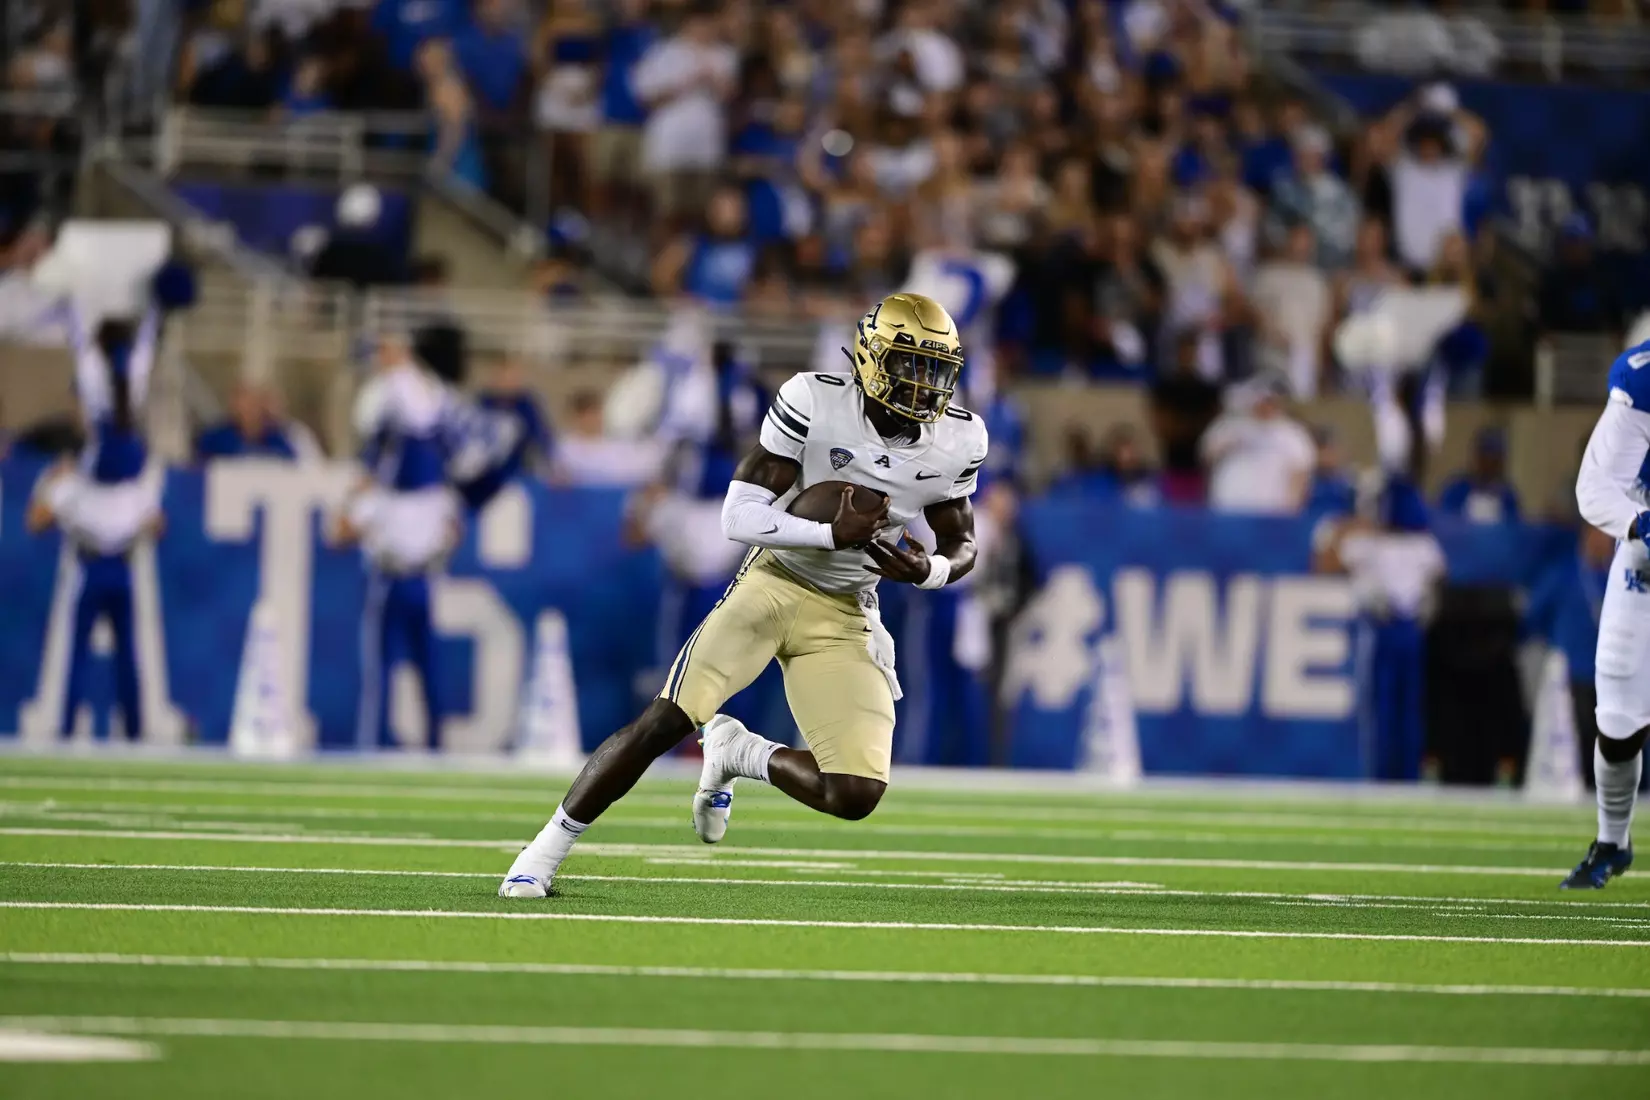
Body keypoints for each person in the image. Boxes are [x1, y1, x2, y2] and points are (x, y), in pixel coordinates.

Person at [500, 292, 988, 898]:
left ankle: (737, 751)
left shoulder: (957, 440)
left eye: (934, 369)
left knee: (856, 793)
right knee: (666, 720)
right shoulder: (814, 399)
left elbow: (962, 540)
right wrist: (829, 532)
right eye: (908, 364)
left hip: (847, 610)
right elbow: (739, 515)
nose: (922, 385)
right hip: (775, 580)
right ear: (869, 357)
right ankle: (542, 852)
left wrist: (931, 572)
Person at [28, 307, 165, 740]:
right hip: (112, 562)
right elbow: (156, 522)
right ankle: (126, 731)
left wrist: (61, 498)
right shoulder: (118, 472)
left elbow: (37, 519)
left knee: (94, 656)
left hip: (97, 563)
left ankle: (83, 730)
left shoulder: (86, 467)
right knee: (114, 656)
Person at [1567, 335, 1650, 888]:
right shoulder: (1642, 376)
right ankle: (1612, 840)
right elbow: (1595, 486)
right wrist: (1642, 524)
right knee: (1617, 704)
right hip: (1648, 548)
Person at [1315, 478, 1446, 782]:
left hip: (1405, 629)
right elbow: (1326, 562)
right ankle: (1380, 775)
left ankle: (1405, 775)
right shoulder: (1374, 544)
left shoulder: (1418, 544)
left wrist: (1428, 599)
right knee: (1383, 709)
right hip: (1384, 630)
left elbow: (1441, 576)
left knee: (1405, 709)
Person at [1200, 376, 1314, 516]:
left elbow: (1300, 473)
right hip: (1229, 508)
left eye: (1271, 400)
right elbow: (1207, 456)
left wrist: (1290, 511)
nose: (1266, 405)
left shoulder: (1293, 434)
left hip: (1272, 512)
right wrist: (1233, 443)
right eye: (1262, 400)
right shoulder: (1229, 426)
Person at [195, 381, 321, 462]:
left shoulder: (276, 437)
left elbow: (290, 462)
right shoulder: (215, 437)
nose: (247, 408)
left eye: (251, 403)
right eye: (241, 402)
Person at [1437, 426, 1520, 525]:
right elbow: (1442, 522)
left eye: (1495, 460)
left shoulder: (1508, 498)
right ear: (1477, 457)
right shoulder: (1456, 490)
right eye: (1485, 458)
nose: (1490, 465)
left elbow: (1514, 530)